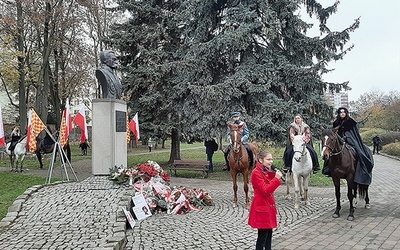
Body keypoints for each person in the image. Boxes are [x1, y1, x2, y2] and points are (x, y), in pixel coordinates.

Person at [322, 107, 374, 185]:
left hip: (350, 140)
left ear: (346, 113)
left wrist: (346, 137)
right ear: (339, 114)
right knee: (331, 150)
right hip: (339, 141)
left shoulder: (351, 122)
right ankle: (327, 168)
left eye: (344, 112)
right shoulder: (336, 123)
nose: (342, 113)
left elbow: (354, 133)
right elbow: (333, 134)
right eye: (341, 112)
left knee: (358, 151)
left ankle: (360, 167)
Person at [248, 151, 282, 250]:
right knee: (262, 236)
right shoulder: (256, 172)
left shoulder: (266, 170)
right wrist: (276, 179)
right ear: (260, 160)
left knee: (269, 234)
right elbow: (265, 190)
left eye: (271, 159)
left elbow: (269, 185)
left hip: (268, 206)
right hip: (261, 207)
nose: (271, 161)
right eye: (268, 159)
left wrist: (273, 174)